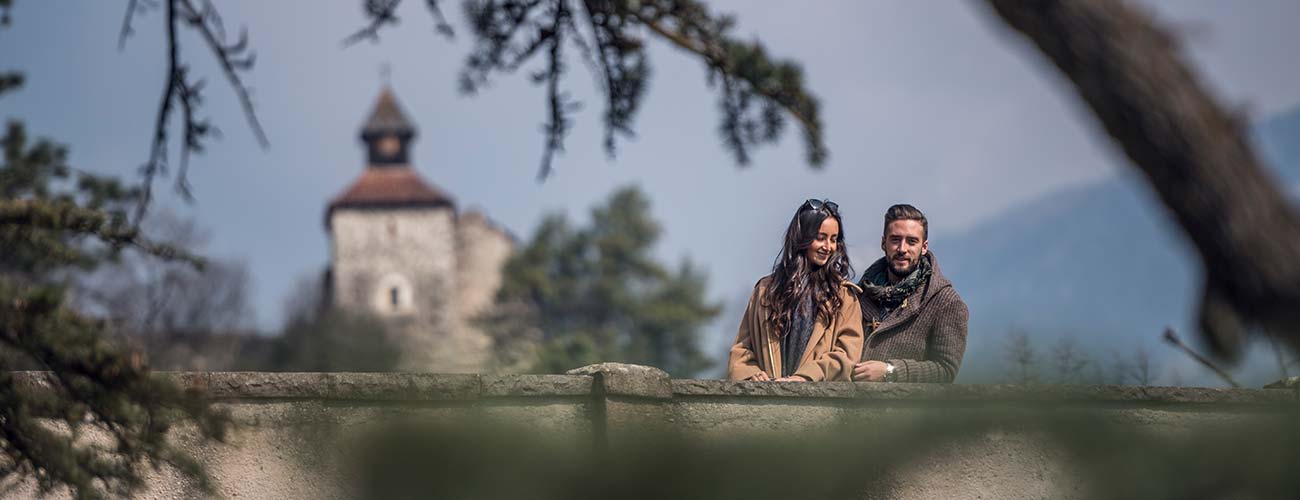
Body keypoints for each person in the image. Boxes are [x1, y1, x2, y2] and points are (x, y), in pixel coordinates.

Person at [728, 199, 864, 382]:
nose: (828, 247)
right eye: (821, 237)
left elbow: (846, 356)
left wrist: (804, 378)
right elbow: (742, 350)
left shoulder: (845, 297)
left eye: (833, 240)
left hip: (818, 405)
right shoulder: (765, 291)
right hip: (769, 404)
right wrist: (751, 374)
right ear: (802, 237)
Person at [853, 204, 968, 383]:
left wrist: (890, 371)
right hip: (849, 408)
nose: (902, 249)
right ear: (884, 243)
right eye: (895, 239)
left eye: (911, 241)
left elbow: (945, 369)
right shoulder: (858, 294)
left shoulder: (945, 302)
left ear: (924, 247)